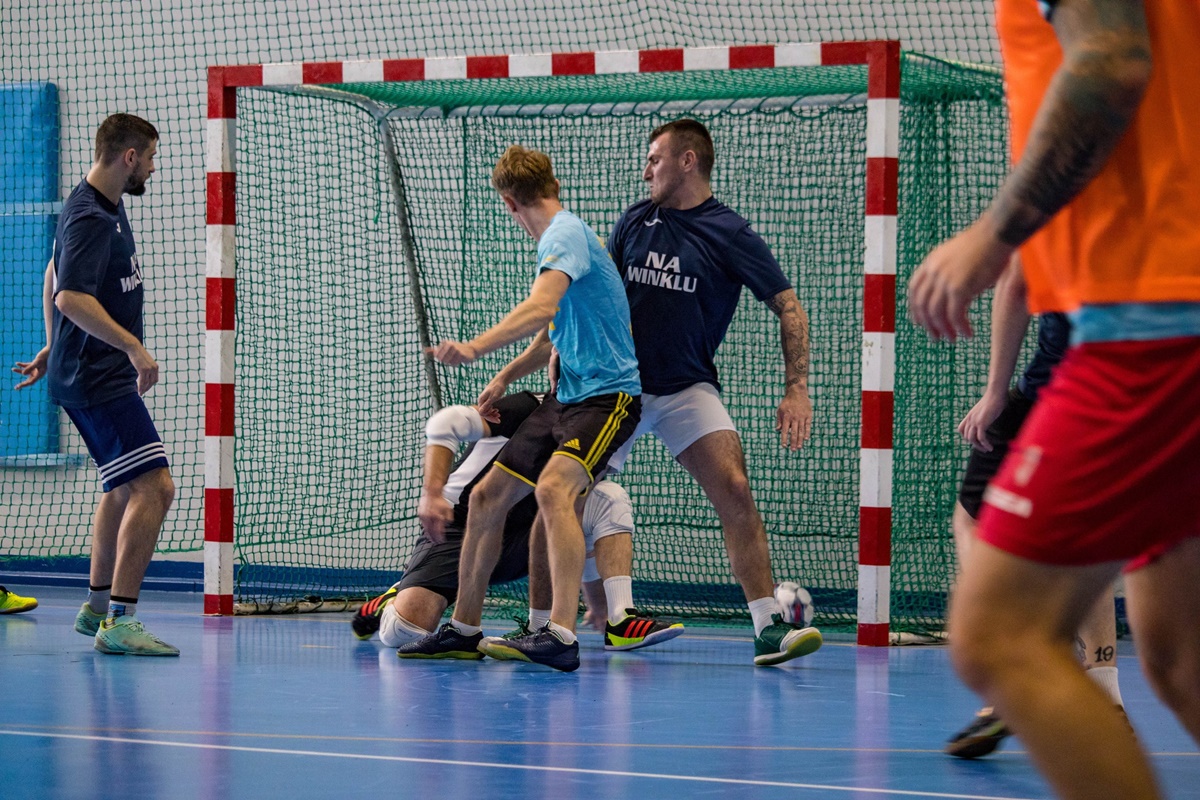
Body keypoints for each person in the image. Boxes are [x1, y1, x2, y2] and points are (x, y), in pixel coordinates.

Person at [908, 0, 1200, 797]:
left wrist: (992, 235)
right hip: (1148, 307)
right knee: (1178, 652)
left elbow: (1108, 61)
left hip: (1156, 316)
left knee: (998, 635)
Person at [399, 145, 642, 671]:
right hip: (565, 398)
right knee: (488, 496)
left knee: (554, 490)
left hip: (608, 398)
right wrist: (506, 373)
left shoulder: (564, 234)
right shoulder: (567, 241)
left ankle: (559, 632)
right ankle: (464, 629)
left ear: (510, 203)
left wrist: (473, 348)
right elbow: (552, 331)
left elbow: (540, 307)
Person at [601, 118, 821, 666]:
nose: (645, 168)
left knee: (735, 489)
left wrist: (797, 388)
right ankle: (584, 618)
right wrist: (560, 354)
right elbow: (594, 294)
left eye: (655, 158)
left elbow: (789, 306)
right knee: (566, 490)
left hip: (685, 388)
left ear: (688, 161)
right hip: (619, 384)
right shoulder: (634, 220)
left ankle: (769, 627)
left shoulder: (731, 232)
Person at [944, 257, 1125, 758]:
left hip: (1058, 394)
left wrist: (995, 392)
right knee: (1083, 541)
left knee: (973, 517)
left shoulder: (1054, 187)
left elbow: (1016, 281)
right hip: (1121, 397)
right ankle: (1105, 693)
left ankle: (1015, 664)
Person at [13, 114, 178, 657]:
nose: (152, 167)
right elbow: (68, 296)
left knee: (120, 487)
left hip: (82, 369)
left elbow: (52, 272)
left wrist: (51, 344)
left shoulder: (100, 202)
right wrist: (133, 346)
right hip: (99, 377)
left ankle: (96, 609)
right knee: (156, 487)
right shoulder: (88, 215)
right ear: (129, 156)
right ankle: (121, 623)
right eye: (150, 157)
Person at [352, 391, 682, 652]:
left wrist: (598, 604)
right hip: (463, 527)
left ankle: (620, 619)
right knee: (403, 632)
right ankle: (394, 598)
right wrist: (432, 493)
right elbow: (448, 420)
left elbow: (581, 511)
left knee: (608, 498)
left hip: (527, 534)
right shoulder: (529, 407)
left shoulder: (606, 424)